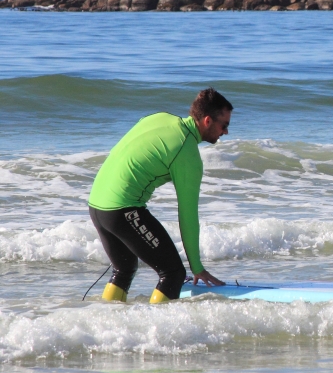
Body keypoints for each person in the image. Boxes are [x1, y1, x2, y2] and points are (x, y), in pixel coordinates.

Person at [88, 88, 230, 303]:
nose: (226, 132)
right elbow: (188, 215)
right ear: (208, 121)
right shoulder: (187, 153)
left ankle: (108, 321)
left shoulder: (160, 117)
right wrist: (197, 267)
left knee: (124, 268)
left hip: (97, 204)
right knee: (173, 273)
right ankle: (158, 331)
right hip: (122, 209)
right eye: (224, 125)